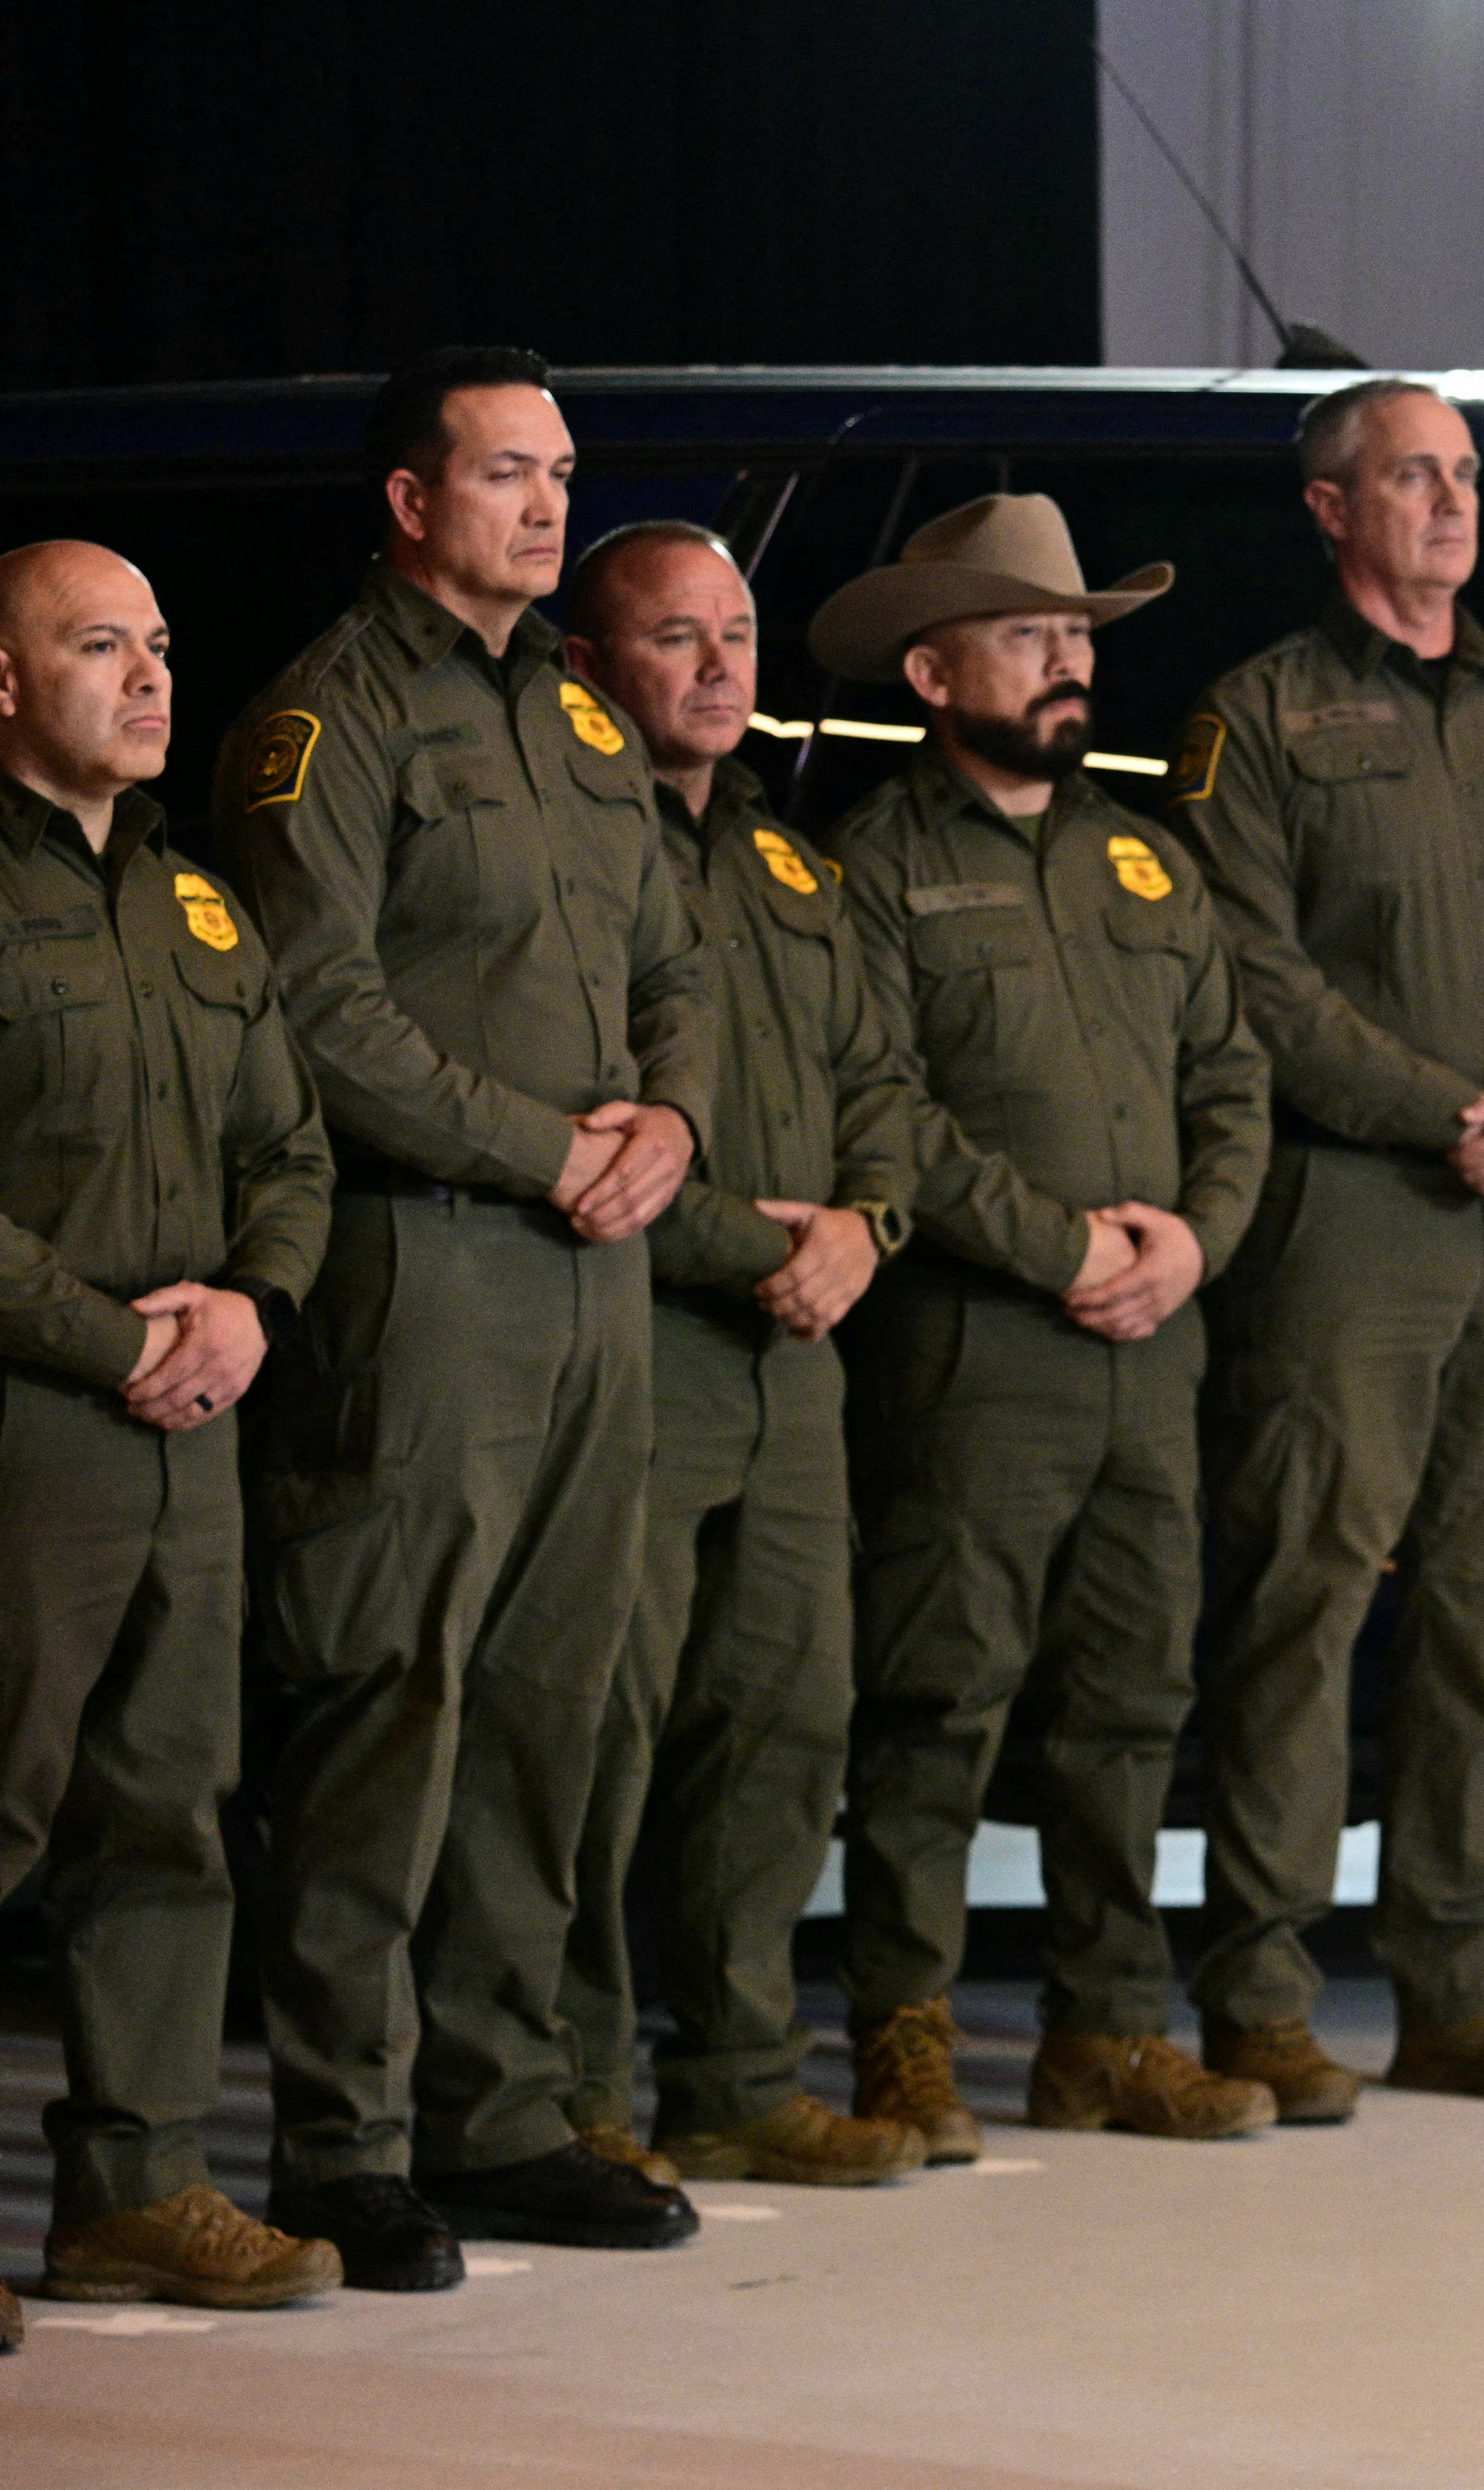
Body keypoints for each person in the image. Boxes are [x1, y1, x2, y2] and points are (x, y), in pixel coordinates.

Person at [221, 346, 715, 2287]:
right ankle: (343, 2140)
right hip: (425, 1266)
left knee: (543, 1713)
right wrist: (539, 1144)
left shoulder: (582, 729)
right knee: (387, 1706)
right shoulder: (325, 724)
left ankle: (500, 2118)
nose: (546, 503)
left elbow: (673, 959)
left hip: (594, 1279)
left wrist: (668, 1121)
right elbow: (314, 1008)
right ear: (412, 502)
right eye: (507, 472)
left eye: (562, 471)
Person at [1163, 378, 1484, 2114]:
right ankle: (1260, 1993)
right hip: (1349, 1226)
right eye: (1408, 476)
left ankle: (1457, 1987)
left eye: (1461, 476)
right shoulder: (1260, 722)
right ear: (1330, 509)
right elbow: (1249, 979)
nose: (1448, 504)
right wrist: (1450, 1108)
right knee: (1299, 1605)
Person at [814, 494, 1275, 2151]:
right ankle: (903, 2032)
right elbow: (880, 1104)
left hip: (1150, 1354)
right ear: (935, 671)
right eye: (1033, 636)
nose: (1071, 665)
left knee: (1130, 1701)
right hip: (977, 1357)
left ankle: (1104, 2030)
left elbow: (1230, 1079)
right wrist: (1057, 1248)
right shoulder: (875, 863)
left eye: (1079, 637)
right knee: (938, 1704)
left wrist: (1190, 1246)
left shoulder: (1148, 854)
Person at [553, 520, 934, 2187]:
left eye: (739, 636)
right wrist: (757, 1245)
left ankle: (734, 2073)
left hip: (798, 1359)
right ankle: (563, 2091)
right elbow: (584, 1119)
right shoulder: (569, 856)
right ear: (591, 665)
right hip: (638, 1341)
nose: (717, 669)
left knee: (783, 1721)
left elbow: (887, 1087)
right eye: (673, 638)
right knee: (596, 1736)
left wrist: (867, 1225)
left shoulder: (793, 867)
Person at [0, 541, 340, 2327]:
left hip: (183, 1425)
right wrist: (102, 1334)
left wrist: (251, 1309)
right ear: (1, 684)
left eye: (158, 645)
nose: (147, 678)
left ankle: (132, 2192)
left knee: (165, 1816)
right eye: (96, 646)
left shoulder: (197, 902)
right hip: (30, 1423)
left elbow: (288, 1153)